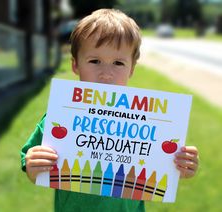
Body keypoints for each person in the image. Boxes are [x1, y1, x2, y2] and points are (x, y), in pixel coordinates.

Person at [21, 9, 199, 212]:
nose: (106, 74)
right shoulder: (60, 117)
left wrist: (182, 165)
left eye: (118, 63)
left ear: (131, 68)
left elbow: (163, 167)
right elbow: (32, 167)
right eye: (94, 61)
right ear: (75, 65)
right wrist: (33, 165)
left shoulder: (150, 121)